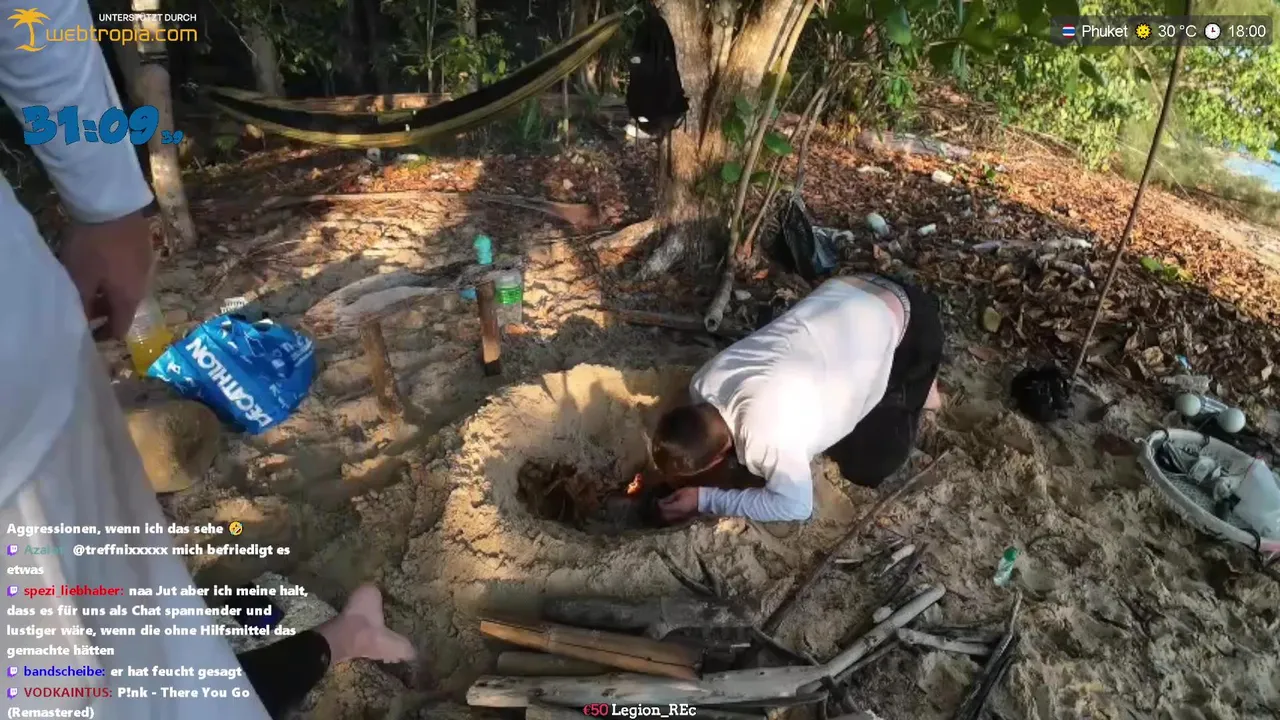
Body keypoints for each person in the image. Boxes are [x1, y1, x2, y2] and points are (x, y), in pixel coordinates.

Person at [0, 3, 412, 718]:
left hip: (18, 403)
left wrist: (106, 203)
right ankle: (348, 636)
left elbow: (33, 20)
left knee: (124, 671)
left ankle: (346, 637)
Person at [649, 274, 944, 523]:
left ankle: (922, 386)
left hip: (912, 326)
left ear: (716, 457)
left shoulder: (765, 438)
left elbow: (796, 506)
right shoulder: (702, 382)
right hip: (850, 286)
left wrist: (704, 499)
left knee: (867, 468)